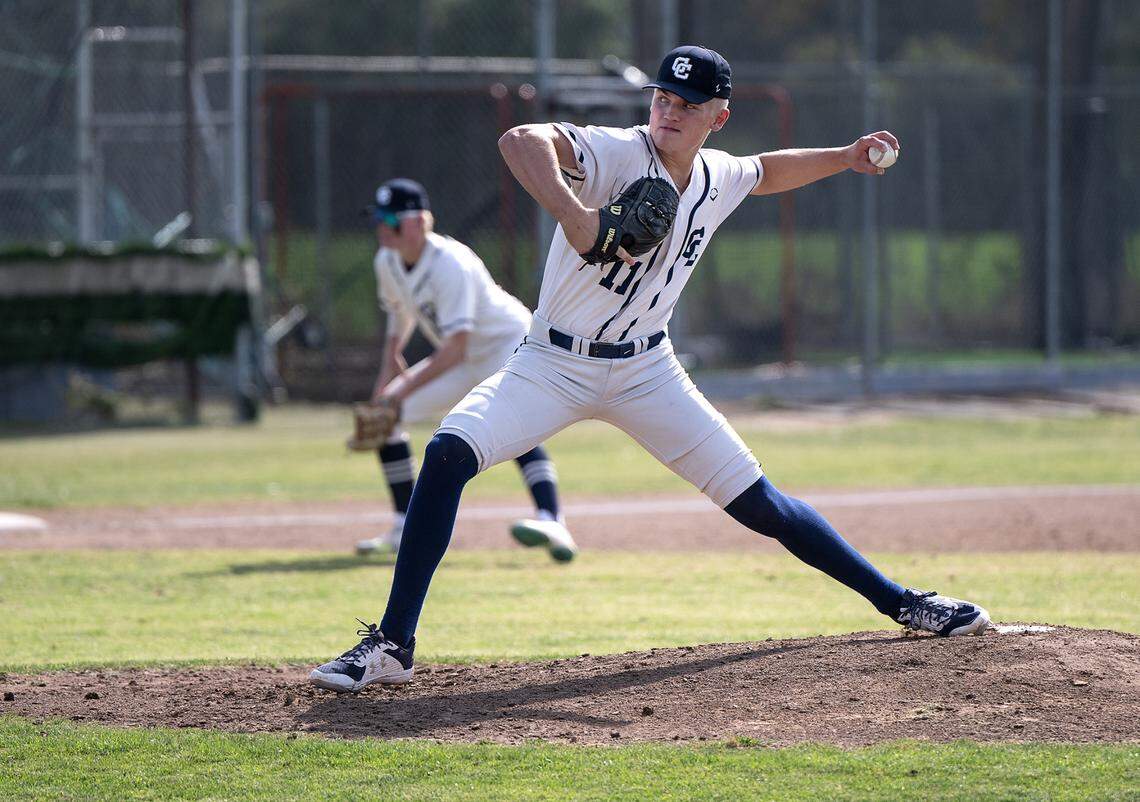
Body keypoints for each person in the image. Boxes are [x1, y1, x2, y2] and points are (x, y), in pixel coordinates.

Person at [310, 46, 990, 693]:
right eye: (663, 97)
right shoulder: (615, 151)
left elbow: (765, 171)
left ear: (717, 116)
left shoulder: (718, 174)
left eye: (688, 104)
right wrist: (577, 216)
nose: (670, 112)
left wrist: (843, 157)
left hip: (647, 371)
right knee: (448, 453)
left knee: (761, 503)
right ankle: (394, 645)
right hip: (552, 361)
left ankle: (904, 604)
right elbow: (520, 140)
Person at [353, 178, 578, 563]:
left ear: (417, 222)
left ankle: (552, 519)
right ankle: (405, 525)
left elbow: (454, 349)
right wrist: (388, 375)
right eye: (379, 219)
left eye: (389, 219)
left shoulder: (449, 263)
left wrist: (400, 389)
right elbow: (399, 312)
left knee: (514, 424)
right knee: (387, 417)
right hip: (463, 358)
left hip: (507, 345)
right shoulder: (387, 260)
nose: (381, 227)